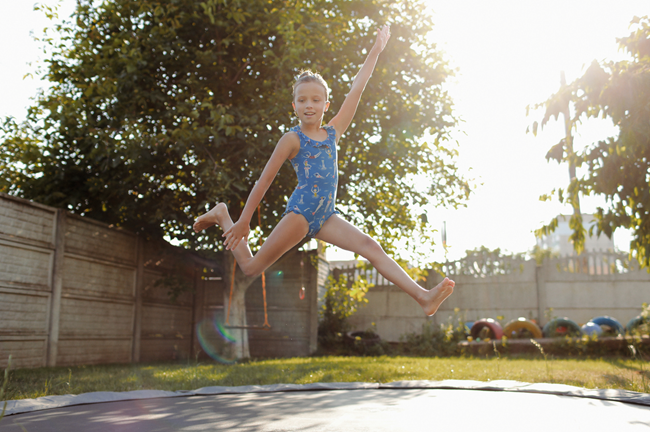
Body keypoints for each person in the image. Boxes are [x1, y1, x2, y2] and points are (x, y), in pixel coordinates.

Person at [194, 25, 454, 316]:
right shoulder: (292, 139)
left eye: (316, 100)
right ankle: (223, 215)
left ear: (326, 105)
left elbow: (358, 87)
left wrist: (376, 49)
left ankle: (423, 297)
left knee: (370, 245)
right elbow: (264, 180)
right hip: (302, 213)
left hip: (327, 215)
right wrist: (243, 221)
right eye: (302, 100)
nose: (309, 105)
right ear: (294, 105)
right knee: (251, 267)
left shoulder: (333, 132)